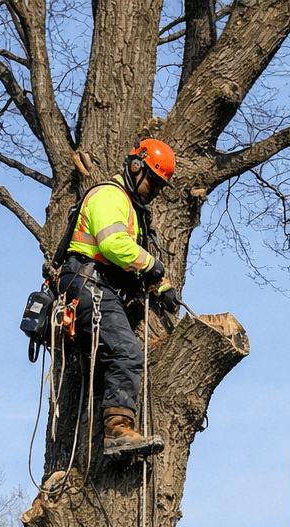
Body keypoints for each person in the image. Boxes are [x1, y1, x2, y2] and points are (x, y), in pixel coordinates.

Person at [58, 138, 180, 458]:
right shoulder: (110, 195)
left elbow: (127, 264)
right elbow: (113, 245)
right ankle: (117, 432)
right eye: (153, 181)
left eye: (161, 185)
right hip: (87, 282)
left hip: (101, 284)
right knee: (127, 352)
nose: (155, 189)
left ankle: (112, 423)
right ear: (136, 167)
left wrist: (158, 285)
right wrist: (153, 265)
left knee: (115, 357)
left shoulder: (133, 212)